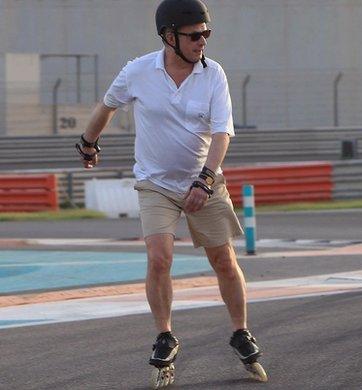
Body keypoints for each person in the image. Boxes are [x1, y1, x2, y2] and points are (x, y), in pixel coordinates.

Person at [75, 0, 264, 381]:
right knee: (159, 257)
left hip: (203, 179)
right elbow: (107, 106)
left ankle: (240, 331)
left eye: (207, 34)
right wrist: (88, 142)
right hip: (155, 183)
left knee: (223, 260)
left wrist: (206, 179)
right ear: (169, 36)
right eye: (195, 35)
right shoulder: (138, 71)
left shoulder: (214, 75)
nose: (203, 42)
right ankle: (165, 336)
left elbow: (222, 132)